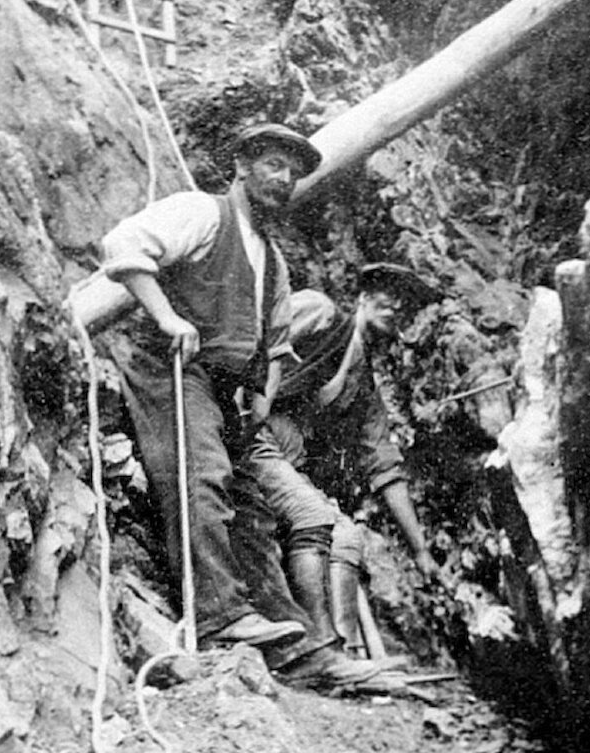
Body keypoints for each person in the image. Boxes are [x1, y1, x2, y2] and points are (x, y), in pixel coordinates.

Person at [100, 124, 386, 688]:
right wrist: (166, 316)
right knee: (202, 475)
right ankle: (219, 617)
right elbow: (122, 247)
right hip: (170, 363)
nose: (284, 179)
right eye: (273, 165)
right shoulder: (202, 214)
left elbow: (275, 341)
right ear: (242, 166)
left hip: (225, 385)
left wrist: (262, 393)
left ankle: (297, 644)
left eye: (292, 172)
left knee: (254, 506)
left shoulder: (272, 260)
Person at [247, 263, 441, 669]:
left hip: (284, 459)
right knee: (313, 516)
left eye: (406, 306)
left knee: (349, 537)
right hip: (248, 439)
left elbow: (383, 465)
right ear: (364, 298)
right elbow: (255, 338)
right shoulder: (319, 313)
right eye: (390, 296)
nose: (398, 307)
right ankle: (320, 650)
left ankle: (345, 656)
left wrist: (420, 549)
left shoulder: (362, 387)